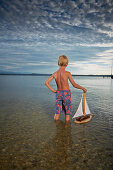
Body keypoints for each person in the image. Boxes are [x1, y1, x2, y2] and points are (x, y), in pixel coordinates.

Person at [45, 55, 87, 121]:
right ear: (67, 64)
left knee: (57, 113)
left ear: (58, 63)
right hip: (66, 94)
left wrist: (53, 90)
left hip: (58, 93)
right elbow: (74, 85)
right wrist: (83, 88)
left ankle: (57, 127)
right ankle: (67, 129)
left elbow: (46, 83)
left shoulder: (55, 74)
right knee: (67, 113)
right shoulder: (67, 73)